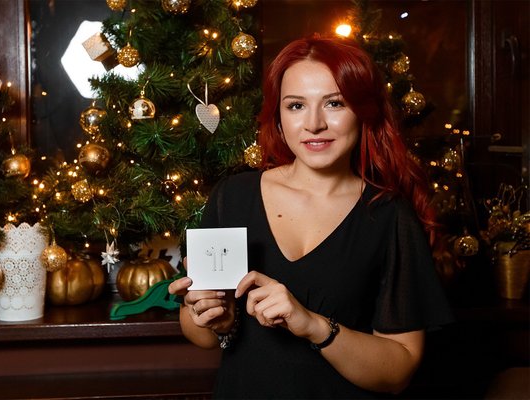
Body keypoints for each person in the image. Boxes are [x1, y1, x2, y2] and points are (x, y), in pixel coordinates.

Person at [169, 34, 453, 399]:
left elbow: (398, 370)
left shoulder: (389, 215)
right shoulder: (233, 196)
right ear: (278, 115)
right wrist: (215, 318)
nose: (314, 124)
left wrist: (313, 325)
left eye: (334, 103)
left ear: (362, 111)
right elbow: (203, 335)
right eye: (296, 106)